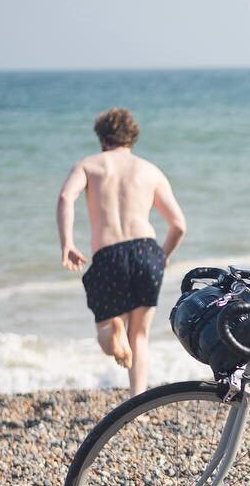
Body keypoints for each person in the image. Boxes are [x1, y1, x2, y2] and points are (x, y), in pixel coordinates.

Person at [57, 107, 187, 396]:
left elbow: (66, 197)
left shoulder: (89, 165)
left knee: (108, 333)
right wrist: (162, 257)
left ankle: (112, 329)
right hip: (147, 251)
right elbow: (179, 225)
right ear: (132, 138)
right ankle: (137, 404)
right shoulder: (150, 170)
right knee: (139, 335)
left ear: (102, 138)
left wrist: (67, 242)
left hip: (109, 254)